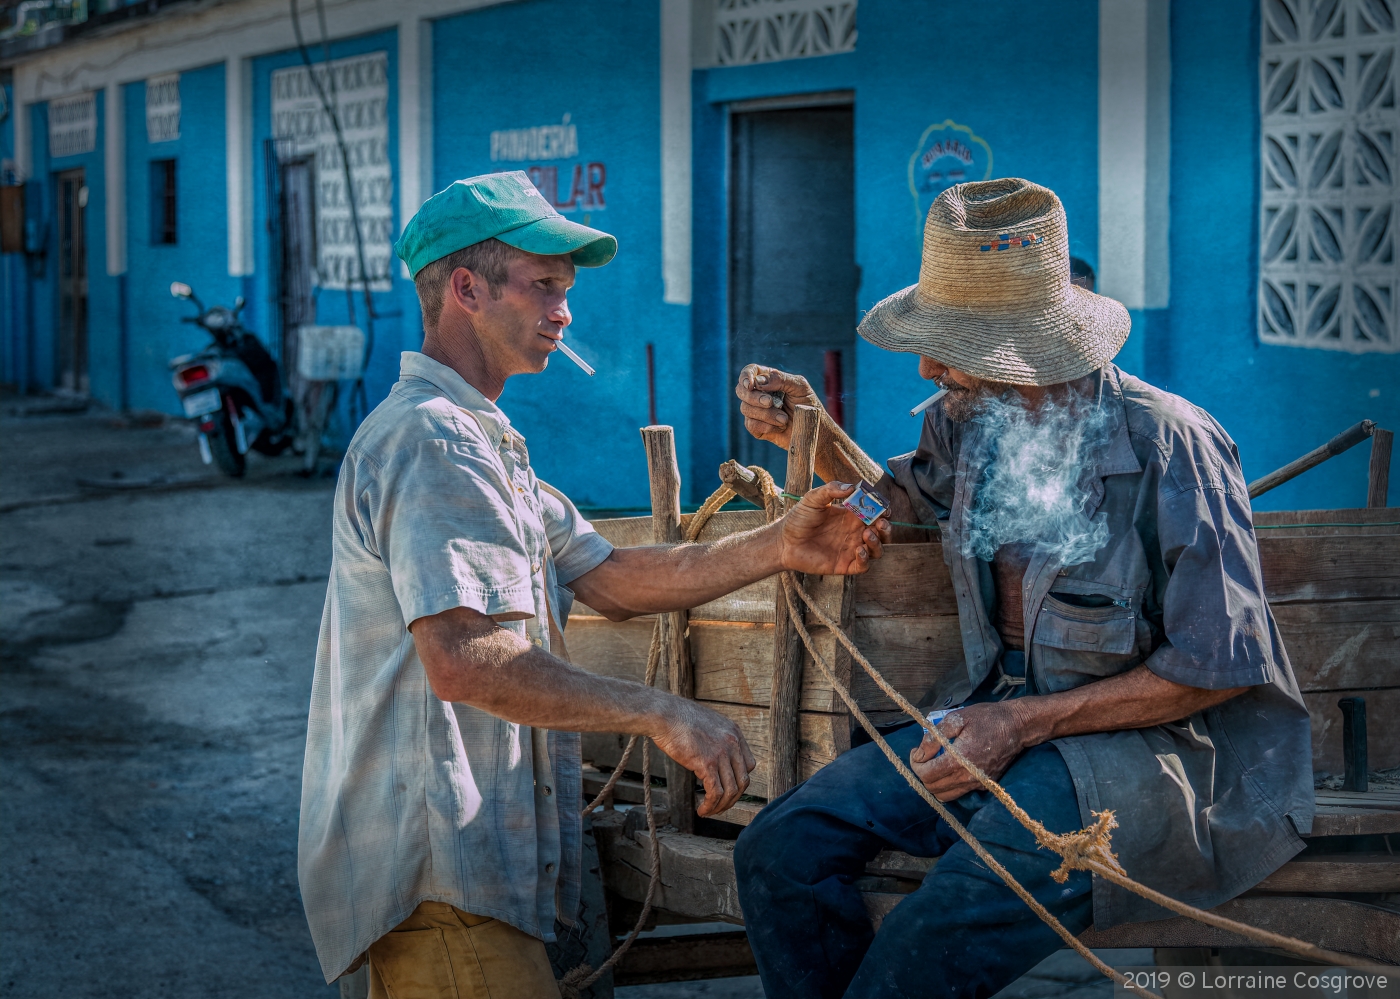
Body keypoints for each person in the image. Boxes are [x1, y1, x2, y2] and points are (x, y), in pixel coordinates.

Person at [297, 171, 888, 998]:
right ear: (466, 288)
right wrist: (662, 711)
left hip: (465, 873)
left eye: (566, 292)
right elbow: (465, 659)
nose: (564, 312)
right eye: (543, 287)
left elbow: (612, 575)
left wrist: (782, 543)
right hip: (443, 866)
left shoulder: (482, 438)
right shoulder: (434, 442)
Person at [731, 178, 1313, 999]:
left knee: (933, 936)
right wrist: (810, 435)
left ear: (1029, 344)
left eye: (952, 342)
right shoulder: (966, 419)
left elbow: (1217, 665)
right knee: (780, 848)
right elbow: (896, 501)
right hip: (991, 717)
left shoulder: (1170, 444)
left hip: (1152, 754)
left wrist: (1018, 722)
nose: (929, 364)